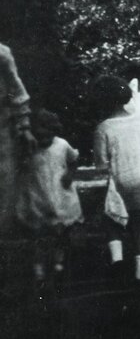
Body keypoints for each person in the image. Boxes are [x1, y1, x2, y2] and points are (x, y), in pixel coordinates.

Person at [92, 75, 140, 284]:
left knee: (112, 221)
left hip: (120, 182)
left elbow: (102, 163)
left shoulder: (104, 128)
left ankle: (118, 263)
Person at [15, 109, 83, 285]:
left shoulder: (62, 145)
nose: (44, 141)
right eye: (40, 137)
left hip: (59, 193)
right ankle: (38, 267)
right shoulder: (30, 147)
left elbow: (73, 159)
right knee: (38, 232)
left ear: (55, 131)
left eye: (48, 136)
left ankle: (59, 262)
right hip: (37, 193)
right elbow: (21, 166)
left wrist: (70, 174)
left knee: (62, 229)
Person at [0, 43, 35, 235]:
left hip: (2, 127)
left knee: (4, 179)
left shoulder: (2, 54)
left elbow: (17, 92)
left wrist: (24, 126)